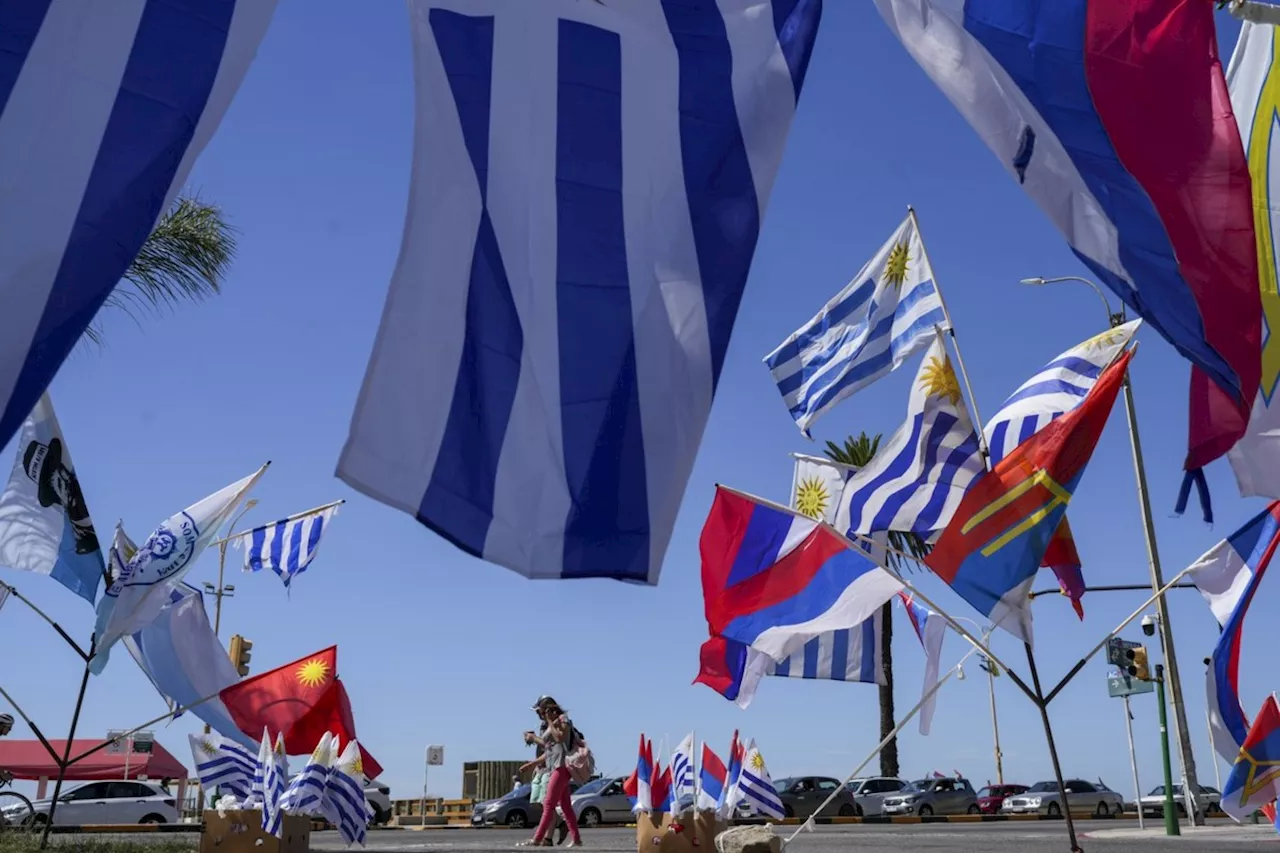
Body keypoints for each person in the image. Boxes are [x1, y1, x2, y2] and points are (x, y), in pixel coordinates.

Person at [519, 697, 582, 848]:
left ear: (548, 709)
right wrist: (533, 739)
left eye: (540, 712)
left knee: (548, 804)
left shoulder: (563, 719)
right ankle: (577, 839)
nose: (539, 715)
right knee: (565, 805)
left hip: (562, 767)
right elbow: (548, 747)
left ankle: (537, 839)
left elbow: (559, 738)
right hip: (554, 766)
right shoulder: (549, 723)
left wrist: (549, 722)